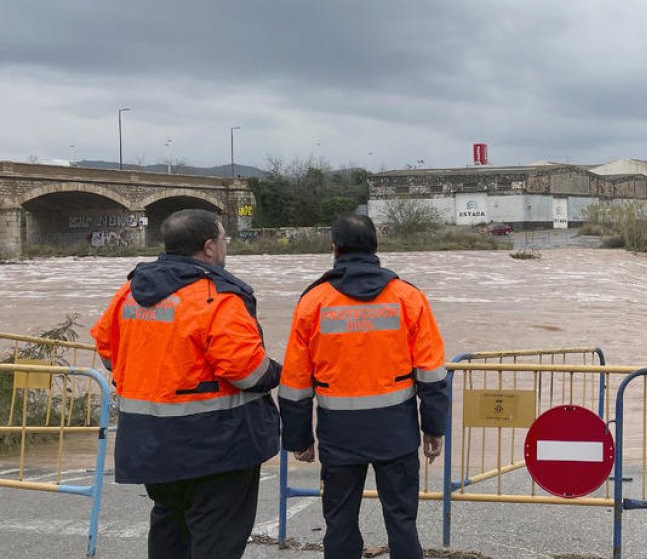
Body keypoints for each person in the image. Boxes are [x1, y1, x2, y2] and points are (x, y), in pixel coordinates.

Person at [90, 209, 281, 559]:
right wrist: (278, 372)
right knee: (215, 538)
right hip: (216, 445)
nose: (225, 246)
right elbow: (247, 372)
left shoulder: (130, 291)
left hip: (150, 442)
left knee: (169, 526)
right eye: (224, 239)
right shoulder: (217, 295)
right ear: (209, 247)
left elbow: (107, 351)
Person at [279, 214, 448, 559]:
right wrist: (434, 427)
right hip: (396, 431)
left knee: (339, 521)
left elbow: (296, 379)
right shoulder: (407, 297)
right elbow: (431, 371)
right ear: (376, 246)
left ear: (334, 249)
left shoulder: (314, 302)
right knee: (402, 520)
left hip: (339, 434)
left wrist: (299, 438)